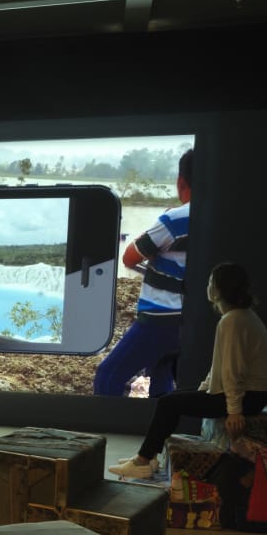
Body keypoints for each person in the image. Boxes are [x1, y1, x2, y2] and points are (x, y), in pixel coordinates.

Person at [108, 262, 267, 480]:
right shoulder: (240, 317)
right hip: (251, 394)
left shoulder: (233, 321)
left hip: (248, 397)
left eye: (211, 282)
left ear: (219, 289)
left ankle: (143, 461)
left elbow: (233, 371)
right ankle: (150, 456)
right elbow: (221, 366)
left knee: (168, 404)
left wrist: (234, 411)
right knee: (172, 398)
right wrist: (204, 389)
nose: (208, 286)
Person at [94, 149, 193, 398]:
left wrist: (158, 226)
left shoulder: (175, 219)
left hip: (160, 318)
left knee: (108, 375)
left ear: (181, 181)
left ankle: (109, 422)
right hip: (188, 320)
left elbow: (129, 257)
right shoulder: (218, 218)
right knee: (161, 381)